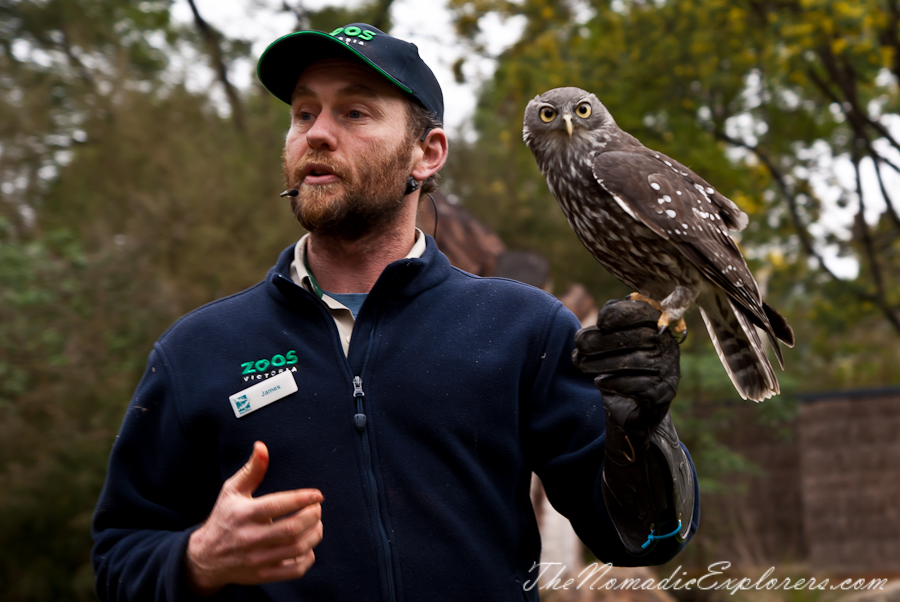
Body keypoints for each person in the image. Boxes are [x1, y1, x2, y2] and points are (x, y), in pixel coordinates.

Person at [91, 23, 700, 602]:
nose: (317, 134)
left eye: (354, 113)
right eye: (304, 113)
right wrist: (197, 560)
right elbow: (118, 561)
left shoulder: (523, 329)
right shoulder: (200, 350)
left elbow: (644, 538)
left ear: (427, 154)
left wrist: (642, 433)